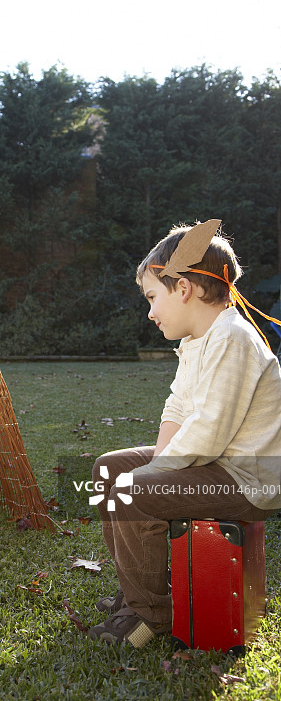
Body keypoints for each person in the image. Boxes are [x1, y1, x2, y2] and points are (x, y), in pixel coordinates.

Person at [88, 220, 281, 647]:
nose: (151, 312)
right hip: (213, 464)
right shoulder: (198, 339)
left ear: (184, 289)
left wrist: (152, 477)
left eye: (153, 298)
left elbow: (208, 432)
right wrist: (156, 466)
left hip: (246, 479)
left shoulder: (233, 338)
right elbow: (177, 406)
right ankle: (140, 586)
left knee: (133, 489)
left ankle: (148, 615)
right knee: (109, 471)